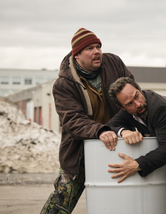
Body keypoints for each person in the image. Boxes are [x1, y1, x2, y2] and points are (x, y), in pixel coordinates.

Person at [41, 28, 133, 213]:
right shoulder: (64, 84)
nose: (97, 51)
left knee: (121, 202)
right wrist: (100, 131)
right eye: (90, 48)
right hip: (79, 152)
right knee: (60, 201)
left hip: (119, 145)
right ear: (77, 56)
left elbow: (132, 93)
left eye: (98, 46)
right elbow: (72, 119)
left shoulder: (114, 63)